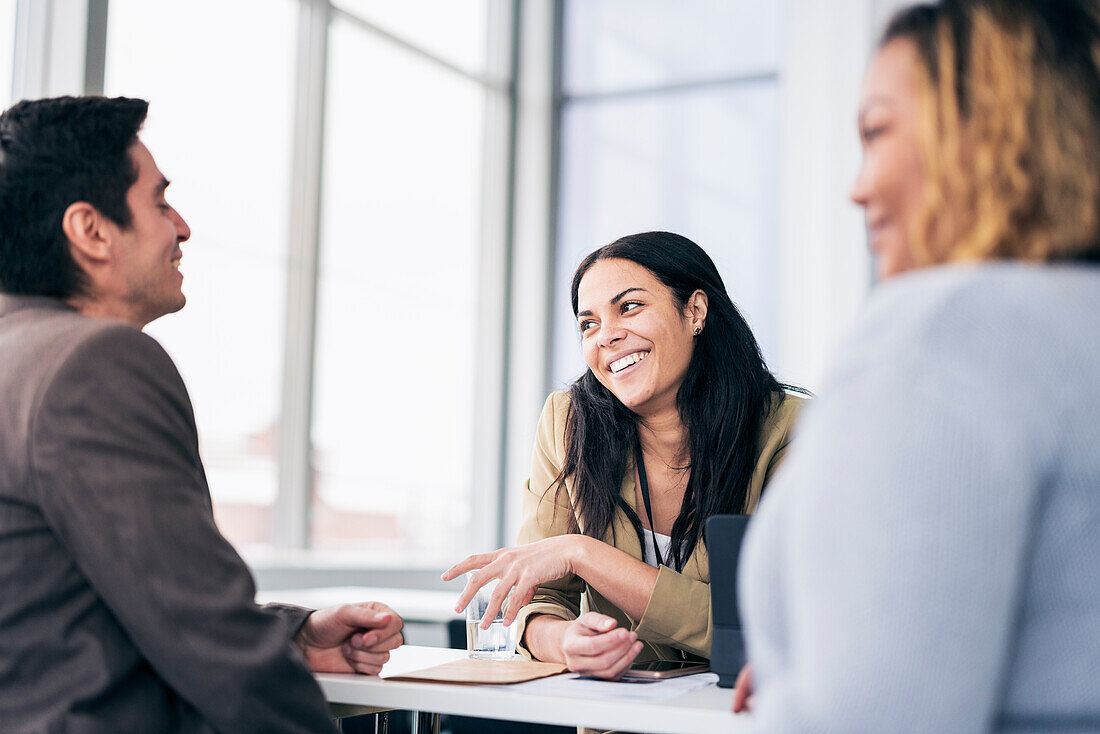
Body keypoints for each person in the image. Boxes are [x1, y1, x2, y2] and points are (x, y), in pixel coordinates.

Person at [734, 0, 1100, 730]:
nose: (857, 187)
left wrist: (803, 691)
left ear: (984, 130)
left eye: (875, 133)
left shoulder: (941, 336)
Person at [0, 96, 404, 734]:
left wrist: (295, 634)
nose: (181, 226)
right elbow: (209, 638)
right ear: (92, 231)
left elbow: (71, 596)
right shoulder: (95, 365)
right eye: (159, 201)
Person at [444, 231, 806, 679]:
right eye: (588, 324)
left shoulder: (793, 432)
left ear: (694, 310)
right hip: (614, 720)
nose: (607, 336)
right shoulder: (567, 423)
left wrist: (584, 553)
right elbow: (539, 599)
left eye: (629, 307)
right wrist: (562, 641)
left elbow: (767, 630)